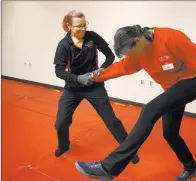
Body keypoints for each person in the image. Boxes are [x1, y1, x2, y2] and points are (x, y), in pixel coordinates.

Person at [74, 25, 196, 181]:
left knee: (149, 110)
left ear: (138, 41)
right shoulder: (138, 50)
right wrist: (94, 77)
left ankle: (108, 168)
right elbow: (123, 67)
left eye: (131, 52)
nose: (132, 57)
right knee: (170, 133)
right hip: (172, 89)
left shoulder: (171, 38)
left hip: (191, 82)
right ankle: (191, 167)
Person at [53, 10, 139, 164]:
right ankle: (63, 145)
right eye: (78, 26)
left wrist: (100, 71)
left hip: (94, 86)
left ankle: (128, 151)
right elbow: (59, 71)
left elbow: (110, 55)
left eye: (84, 24)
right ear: (69, 26)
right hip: (73, 89)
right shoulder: (63, 45)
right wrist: (78, 78)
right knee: (61, 122)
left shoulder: (92, 37)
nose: (83, 29)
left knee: (111, 120)